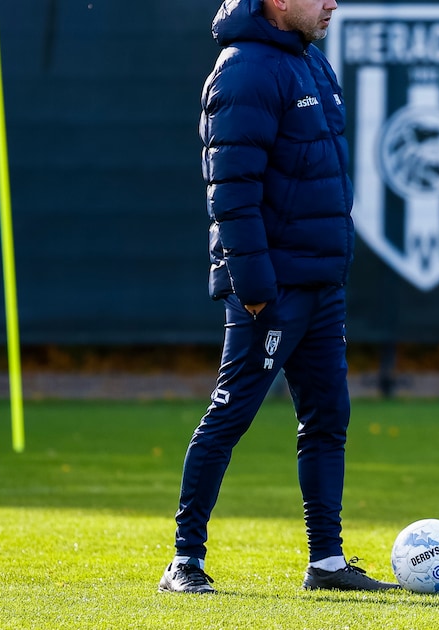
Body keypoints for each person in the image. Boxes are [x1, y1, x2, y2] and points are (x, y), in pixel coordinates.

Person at [158, 0, 398, 594]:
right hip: (272, 291)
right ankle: (184, 562)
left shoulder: (310, 63)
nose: (332, 3)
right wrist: (256, 290)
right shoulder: (243, 70)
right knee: (230, 415)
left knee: (328, 418)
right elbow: (231, 191)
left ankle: (327, 562)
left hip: (321, 285)